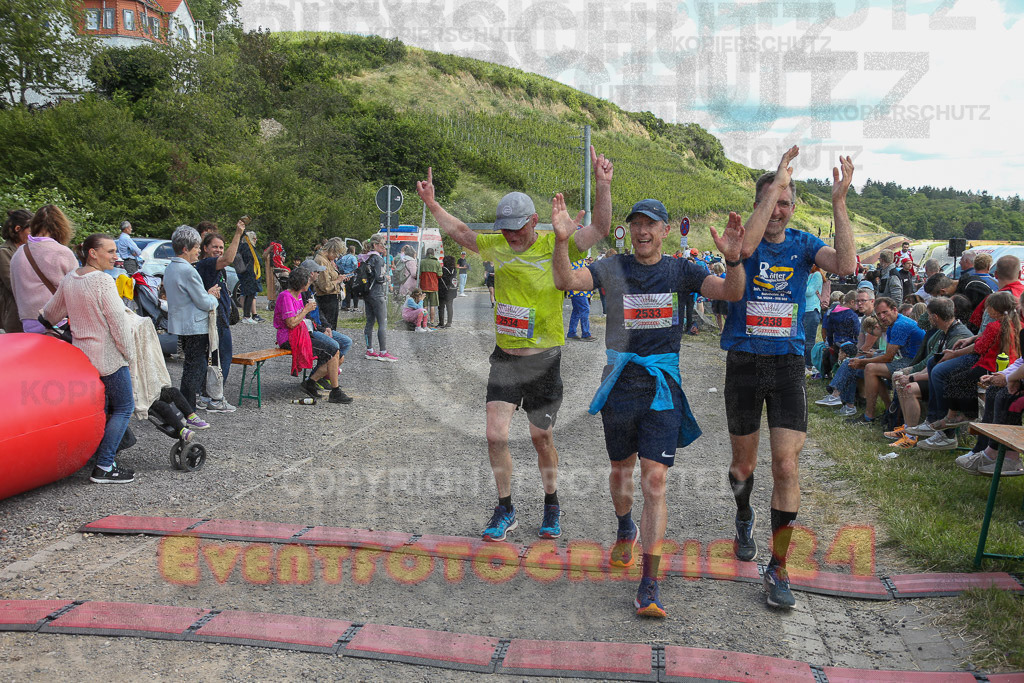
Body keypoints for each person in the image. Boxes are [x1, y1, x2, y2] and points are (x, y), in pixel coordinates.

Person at [552, 194, 746, 617]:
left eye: (650, 224)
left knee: (654, 480)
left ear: (665, 229)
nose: (642, 231)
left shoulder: (681, 269)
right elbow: (566, 281)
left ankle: (649, 583)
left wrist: (733, 260)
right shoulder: (612, 267)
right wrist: (563, 240)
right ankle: (626, 525)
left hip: (662, 386)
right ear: (629, 230)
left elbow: (732, 292)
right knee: (621, 470)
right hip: (620, 384)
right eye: (636, 223)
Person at [415, 145, 613, 542]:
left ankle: (551, 502)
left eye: (518, 229)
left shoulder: (555, 242)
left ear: (534, 221)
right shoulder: (497, 245)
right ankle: (505, 509)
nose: (512, 236)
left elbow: (601, 230)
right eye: (505, 229)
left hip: (544, 359)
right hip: (505, 357)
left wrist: (603, 186)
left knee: (541, 438)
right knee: (495, 434)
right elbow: (462, 233)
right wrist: (433, 206)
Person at [722, 148, 856, 610]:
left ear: (794, 208)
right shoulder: (743, 239)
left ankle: (778, 568)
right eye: (771, 200)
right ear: (760, 203)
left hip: (786, 366)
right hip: (742, 362)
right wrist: (775, 181)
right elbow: (744, 249)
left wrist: (839, 202)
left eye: (785, 201)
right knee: (744, 467)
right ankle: (744, 513)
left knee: (785, 465)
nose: (778, 210)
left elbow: (846, 266)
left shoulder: (801, 243)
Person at [41, 234, 136, 483]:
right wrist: (130, 355)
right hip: (108, 358)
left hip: (82, 359)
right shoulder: (103, 282)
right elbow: (119, 324)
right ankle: (104, 465)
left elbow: (50, 313)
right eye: (111, 251)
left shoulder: (71, 278)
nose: (116, 256)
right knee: (125, 408)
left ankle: (96, 458)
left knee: (100, 410)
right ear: (92, 253)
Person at [918, 291, 1021, 450]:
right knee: (961, 378)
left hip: (989, 366)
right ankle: (955, 415)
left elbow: (980, 349)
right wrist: (975, 338)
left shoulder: (994, 326)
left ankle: (961, 414)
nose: (986, 311)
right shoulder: (1015, 323)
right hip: (1006, 364)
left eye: (988, 308)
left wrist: (956, 353)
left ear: (994, 310)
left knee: (956, 379)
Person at [888, 297, 973, 448]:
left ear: (935, 317)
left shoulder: (959, 336)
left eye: (928, 315)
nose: (927, 319)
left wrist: (913, 377)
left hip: (951, 383)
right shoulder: (944, 331)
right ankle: (909, 429)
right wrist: (910, 375)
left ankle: (912, 437)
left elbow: (942, 370)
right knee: (901, 381)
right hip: (938, 377)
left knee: (908, 388)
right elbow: (933, 363)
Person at [274, 266, 353, 404]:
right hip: (289, 337)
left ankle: (314, 383)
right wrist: (306, 310)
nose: (308, 283)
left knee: (335, 350)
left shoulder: (298, 295)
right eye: (307, 281)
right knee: (333, 350)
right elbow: (291, 323)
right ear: (301, 283)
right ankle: (333, 391)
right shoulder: (286, 296)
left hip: (301, 334)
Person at [164, 225, 220, 417]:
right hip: (195, 325)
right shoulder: (188, 270)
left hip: (182, 323)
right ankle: (188, 410)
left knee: (192, 366)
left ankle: (185, 407)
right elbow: (204, 302)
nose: (198, 251)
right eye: (196, 247)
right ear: (186, 249)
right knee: (194, 368)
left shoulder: (171, 268)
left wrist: (205, 295)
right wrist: (213, 297)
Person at [844, 297, 926, 424]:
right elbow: (888, 354)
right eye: (878, 314)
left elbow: (888, 357)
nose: (882, 317)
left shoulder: (900, 325)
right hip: (908, 360)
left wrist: (862, 362)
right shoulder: (893, 324)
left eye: (885, 312)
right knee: (871, 368)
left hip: (914, 363)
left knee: (870, 368)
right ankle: (889, 410)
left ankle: (869, 415)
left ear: (894, 310)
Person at [194, 219, 247, 412]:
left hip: (221, 319)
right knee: (219, 358)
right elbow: (229, 259)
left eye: (221, 247)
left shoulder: (214, 266)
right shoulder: (207, 264)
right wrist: (238, 234)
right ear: (205, 248)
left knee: (217, 358)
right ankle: (213, 398)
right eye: (214, 247)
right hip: (214, 320)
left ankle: (207, 395)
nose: (218, 250)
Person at [9, 205, 78, 334]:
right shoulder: (62, 252)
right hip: (57, 322)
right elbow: (76, 290)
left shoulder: (19, 253)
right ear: (61, 227)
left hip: (28, 320)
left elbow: (15, 288)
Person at [362, 234, 397, 362]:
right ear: (376, 245)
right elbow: (379, 278)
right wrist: (386, 278)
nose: (385, 247)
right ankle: (383, 352)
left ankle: (369, 349)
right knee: (382, 322)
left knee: (369, 322)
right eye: (383, 244)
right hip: (377, 294)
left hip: (367, 294)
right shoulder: (378, 259)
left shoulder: (366, 257)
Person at [0, 209, 31, 332]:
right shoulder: (4, 252)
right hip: (11, 314)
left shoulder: (29, 250)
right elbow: (13, 285)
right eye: (30, 230)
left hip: (27, 312)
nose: (33, 235)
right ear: (18, 229)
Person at [313, 237, 346, 330]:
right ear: (332, 250)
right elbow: (325, 286)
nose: (336, 257)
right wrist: (338, 281)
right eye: (337, 253)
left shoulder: (327, 260)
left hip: (331, 298)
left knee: (332, 327)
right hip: (326, 299)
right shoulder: (321, 261)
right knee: (329, 328)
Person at [566, 255, 595, 342]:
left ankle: (571, 333)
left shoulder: (577, 261)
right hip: (578, 290)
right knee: (585, 309)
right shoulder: (575, 261)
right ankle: (585, 333)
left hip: (577, 290)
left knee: (577, 311)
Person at [237, 230, 262, 324]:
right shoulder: (247, 248)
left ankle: (247, 315)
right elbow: (256, 260)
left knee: (249, 295)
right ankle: (246, 316)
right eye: (254, 238)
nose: (256, 240)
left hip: (248, 275)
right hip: (249, 275)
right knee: (249, 295)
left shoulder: (244, 247)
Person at [803, 265, 823, 373]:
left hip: (811, 310)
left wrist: (799, 282)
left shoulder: (816, 275)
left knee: (809, 341)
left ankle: (809, 365)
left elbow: (809, 291)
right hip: (800, 310)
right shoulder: (806, 275)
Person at [419, 247, 442, 327]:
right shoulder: (437, 263)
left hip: (424, 286)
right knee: (432, 305)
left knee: (424, 305)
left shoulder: (422, 262)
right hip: (433, 287)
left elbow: (418, 275)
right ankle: (432, 321)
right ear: (433, 254)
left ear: (426, 253)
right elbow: (440, 275)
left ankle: (424, 321)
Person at [437, 254, 458, 328]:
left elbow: (440, 279)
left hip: (443, 290)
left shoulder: (443, 269)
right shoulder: (454, 270)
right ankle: (449, 322)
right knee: (450, 307)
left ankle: (441, 322)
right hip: (452, 290)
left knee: (441, 307)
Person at [338, 245, 359, 311]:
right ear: (353, 250)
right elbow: (355, 265)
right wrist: (353, 269)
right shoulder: (353, 257)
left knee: (347, 291)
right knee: (355, 291)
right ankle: (355, 306)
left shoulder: (343, 257)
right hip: (351, 274)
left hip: (344, 275)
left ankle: (347, 306)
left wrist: (342, 269)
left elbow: (338, 263)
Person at [709, 262, 728, 332]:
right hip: (716, 298)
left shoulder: (725, 276)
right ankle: (721, 330)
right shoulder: (715, 276)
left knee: (725, 315)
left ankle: (728, 330)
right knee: (718, 315)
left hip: (724, 298)